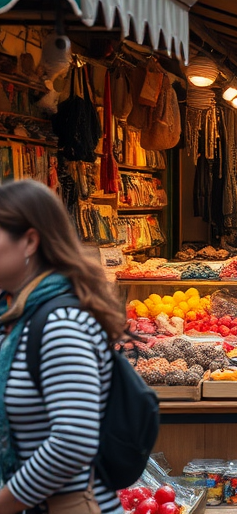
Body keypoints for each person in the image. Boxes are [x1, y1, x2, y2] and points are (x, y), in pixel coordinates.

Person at [0, 180, 125, 514]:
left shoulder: (61, 324)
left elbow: (72, 441)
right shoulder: (13, 317)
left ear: (28, 242)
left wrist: (7, 501)